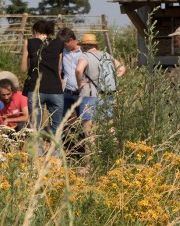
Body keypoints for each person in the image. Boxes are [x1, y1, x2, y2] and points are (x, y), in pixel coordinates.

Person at [21, 20, 64, 155]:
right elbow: (59, 69)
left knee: (36, 126)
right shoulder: (58, 43)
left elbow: (23, 69)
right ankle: (56, 158)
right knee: (56, 126)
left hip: (36, 90)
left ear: (35, 31)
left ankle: (38, 156)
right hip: (55, 89)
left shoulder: (29, 42)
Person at [74, 34, 126, 134]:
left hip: (89, 95)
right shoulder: (106, 55)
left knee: (89, 130)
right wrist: (112, 78)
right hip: (107, 94)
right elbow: (122, 68)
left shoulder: (85, 56)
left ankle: (91, 150)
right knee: (109, 127)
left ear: (84, 46)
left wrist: (79, 84)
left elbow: (79, 70)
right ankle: (110, 149)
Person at [57, 28, 82, 119]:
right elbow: (59, 69)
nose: (64, 46)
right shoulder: (62, 52)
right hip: (67, 93)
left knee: (83, 121)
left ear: (71, 40)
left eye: (65, 44)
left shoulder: (84, 51)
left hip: (82, 93)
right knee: (61, 120)